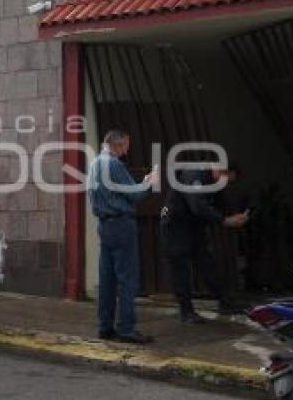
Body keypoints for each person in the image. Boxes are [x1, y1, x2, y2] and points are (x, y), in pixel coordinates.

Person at [88, 129, 159, 344]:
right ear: (117, 145)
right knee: (128, 280)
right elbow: (135, 195)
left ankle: (105, 326)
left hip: (104, 225)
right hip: (121, 225)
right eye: (126, 145)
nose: (128, 150)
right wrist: (150, 181)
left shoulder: (94, 163)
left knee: (107, 279)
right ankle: (127, 329)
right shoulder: (114, 164)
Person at [160, 165, 249, 323]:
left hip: (194, 228)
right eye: (226, 179)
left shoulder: (214, 182)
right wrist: (225, 220)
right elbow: (198, 206)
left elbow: (220, 204)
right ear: (219, 171)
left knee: (207, 264)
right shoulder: (194, 176)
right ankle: (186, 312)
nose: (225, 184)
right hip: (176, 227)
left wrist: (235, 216)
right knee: (181, 269)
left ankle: (225, 301)